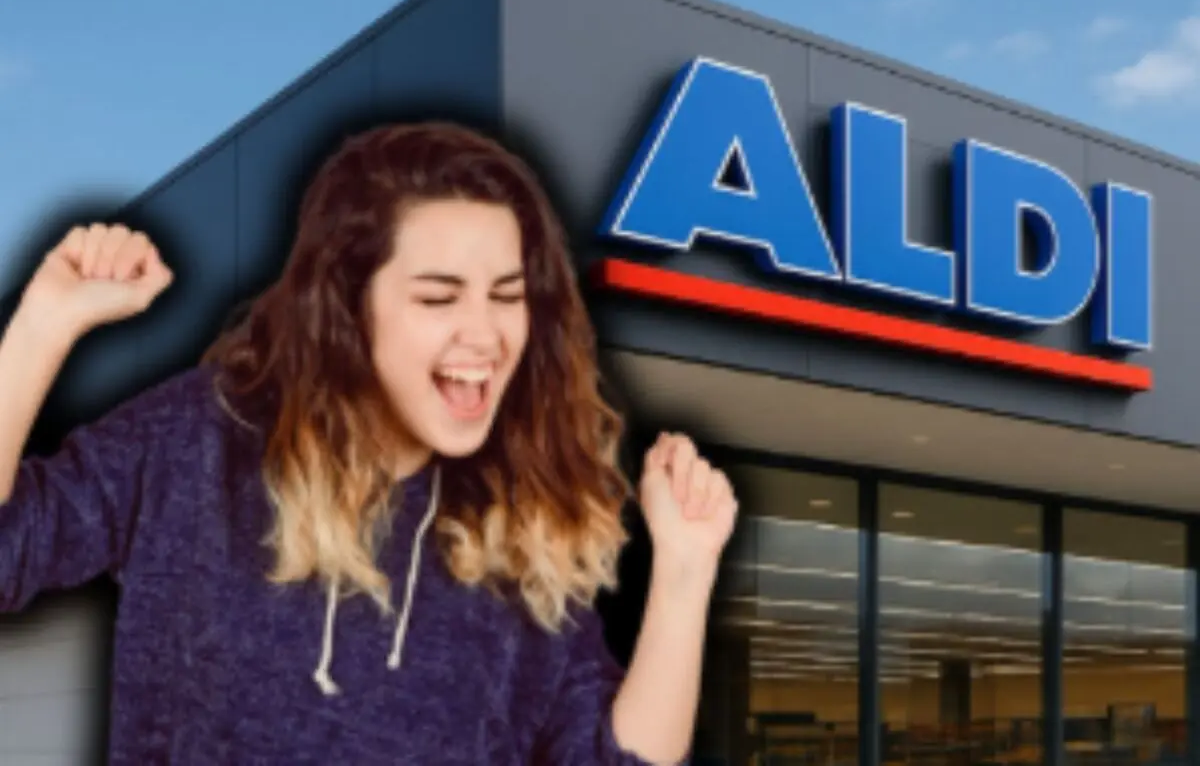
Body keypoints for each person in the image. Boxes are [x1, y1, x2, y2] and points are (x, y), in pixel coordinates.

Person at [0, 121, 738, 764]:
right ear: (350, 310)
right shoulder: (198, 441)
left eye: (508, 296)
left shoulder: (522, 533)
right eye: (438, 297)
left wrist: (685, 570)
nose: (484, 334)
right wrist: (41, 326)